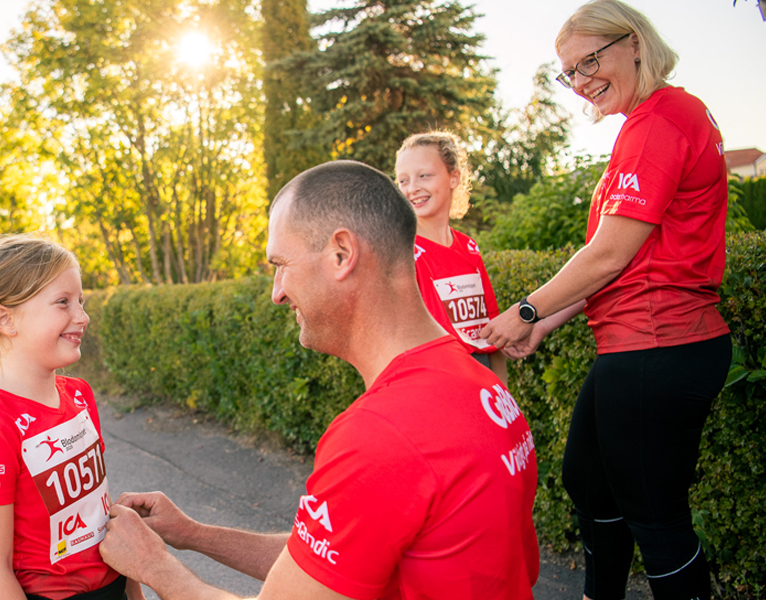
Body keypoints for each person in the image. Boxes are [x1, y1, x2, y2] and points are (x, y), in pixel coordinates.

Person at [99, 160, 539, 600]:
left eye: (281, 264)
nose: (277, 292)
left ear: (341, 254)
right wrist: (193, 534)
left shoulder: (382, 435)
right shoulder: (480, 386)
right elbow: (331, 566)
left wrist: (153, 565)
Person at [480, 1, 731, 598]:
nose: (581, 81)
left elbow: (609, 254)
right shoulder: (648, 123)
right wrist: (543, 324)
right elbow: (618, 260)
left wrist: (524, 311)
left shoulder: (660, 120)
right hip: (636, 343)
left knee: (655, 515)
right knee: (590, 484)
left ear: (635, 43)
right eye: (570, 71)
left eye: (590, 60)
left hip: (662, 344)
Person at [0, 235, 144, 600]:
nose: (82, 316)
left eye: (80, 301)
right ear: (5, 319)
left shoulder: (80, 394)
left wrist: (135, 593)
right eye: (63, 303)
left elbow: (99, 510)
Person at [396, 131, 507, 384]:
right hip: (436, 385)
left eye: (424, 175)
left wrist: (504, 396)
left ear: (454, 177)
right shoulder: (401, 252)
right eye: (403, 180)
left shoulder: (469, 248)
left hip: (482, 382)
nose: (412, 188)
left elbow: (491, 333)